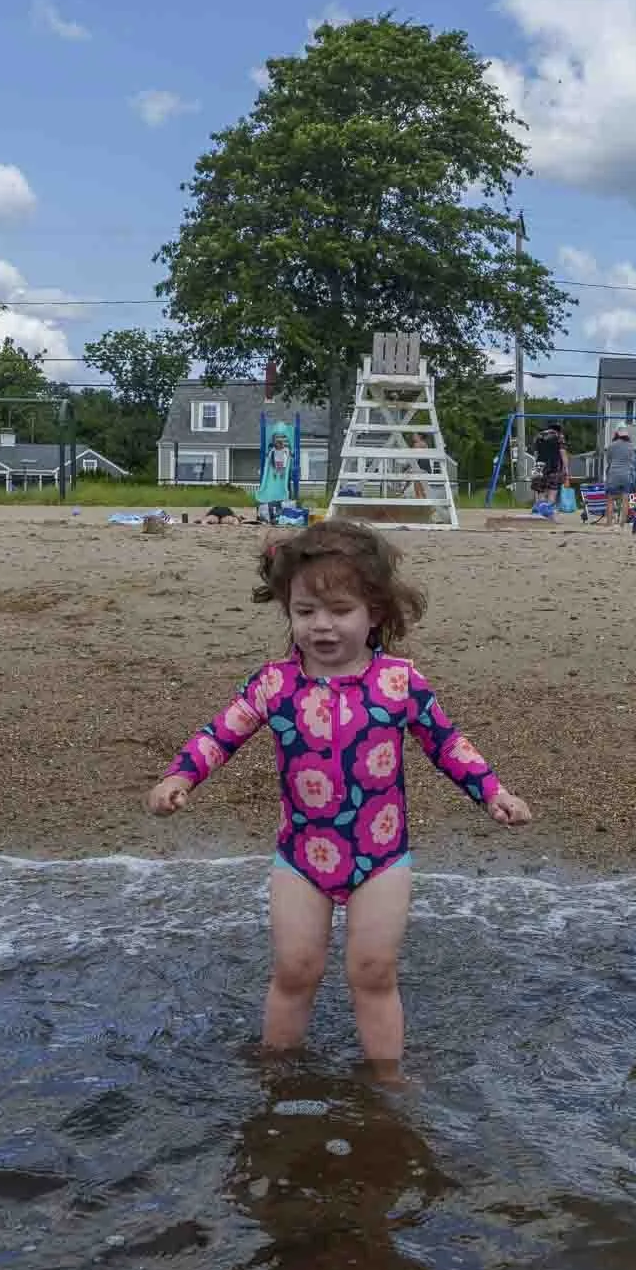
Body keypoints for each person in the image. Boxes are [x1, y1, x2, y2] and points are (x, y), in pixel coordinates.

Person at [148, 520, 531, 1065]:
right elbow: (221, 732)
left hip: (380, 856)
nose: (321, 626)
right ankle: (278, 1073)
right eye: (305, 612)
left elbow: (447, 743)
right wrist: (180, 776)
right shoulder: (274, 685)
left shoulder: (399, 682)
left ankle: (386, 1080)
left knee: (373, 972)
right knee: (295, 969)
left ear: (374, 611)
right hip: (301, 856)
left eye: (340, 611)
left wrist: (492, 791)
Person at [255, 429, 294, 526]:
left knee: (282, 475)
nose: (279, 446)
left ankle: (279, 475)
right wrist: (271, 465)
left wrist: (284, 469)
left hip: (283, 466)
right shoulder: (273, 450)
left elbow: (286, 459)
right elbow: (270, 458)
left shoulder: (285, 450)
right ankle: (276, 474)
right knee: (274, 473)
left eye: (280, 444)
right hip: (275, 466)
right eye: (277, 444)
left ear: (282, 445)